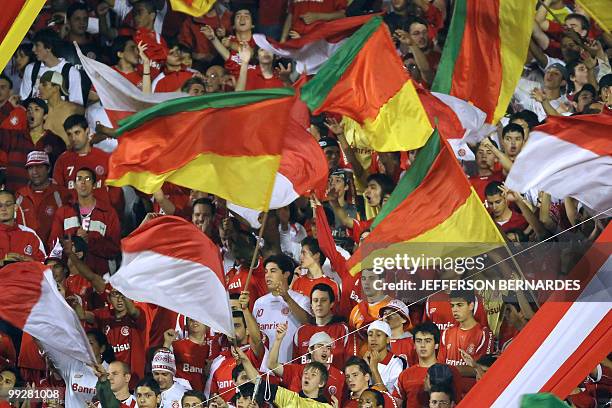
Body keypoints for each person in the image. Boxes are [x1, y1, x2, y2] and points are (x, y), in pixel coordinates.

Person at [48, 167, 121, 275]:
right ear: (74, 184)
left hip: (99, 276)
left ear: (95, 184)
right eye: (79, 179)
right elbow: (53, 245)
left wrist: (89, 241)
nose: (83, 182)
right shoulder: (63, 212)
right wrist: (73, 243)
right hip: (70, 277)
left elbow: (115, 248)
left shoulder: (108, 213)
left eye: (87, 179)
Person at [74, 287, 146, 383]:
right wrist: (75, 305)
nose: (119, 299)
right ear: (108, 298)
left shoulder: (137, 315)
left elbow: (133, 312)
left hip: (133, 379)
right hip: (109, 378)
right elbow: (82, 315)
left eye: (122, 295)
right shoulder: (103, 315)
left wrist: (123, 290)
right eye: (115, 295)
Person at [252, 254, 312, 363]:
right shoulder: (259, 303)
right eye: (266, 271)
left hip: (291, 368)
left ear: (286, 274)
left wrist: (287, 298)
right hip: (264, 370)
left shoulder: (302, 300)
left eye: (273, 271)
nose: (267, 275)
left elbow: (308, 323)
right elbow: (254, 337)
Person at [0, 98, 66, 191]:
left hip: (41, 199)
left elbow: (60, 172)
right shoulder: (14, 136)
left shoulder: (55, 141)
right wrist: (9, 107)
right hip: (13, 197)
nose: (31, 113)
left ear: (45, 116)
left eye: (36, 109)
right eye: (29, 110)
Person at [270, 324, 345, 401]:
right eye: (320, 346)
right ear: (310, 350)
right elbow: (272, 365)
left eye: (328, 347)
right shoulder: (295, 370)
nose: (325, 350)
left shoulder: (339, 376)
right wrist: (278, 340)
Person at [393, 322, 460, 407]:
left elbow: (458, 403)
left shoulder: (450, 371)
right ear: (414, 345)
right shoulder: (405, 375)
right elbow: (395, 404)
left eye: (428, 341)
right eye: (419, 341)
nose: (423, 345)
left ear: (436, 345)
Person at [204, 311, 264, 403]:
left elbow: (257, 341)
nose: (231, 330)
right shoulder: (218, 362)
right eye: (229, 327)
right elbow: (212, 398)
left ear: (248, 330)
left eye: (236, 326)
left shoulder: (255, 354)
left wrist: (245, 309)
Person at [15, 151, 71, 247]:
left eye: (39, 167)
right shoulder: (19, 195)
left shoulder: (62, 194)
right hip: (26, 252)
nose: (35, 172)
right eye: (31, 168)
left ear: (48, 169)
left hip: (55, 254)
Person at [437, 291, 494, 378]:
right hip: (450, 389)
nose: (455, 309)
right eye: (452, 306)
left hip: (472, 389)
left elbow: (483, 370)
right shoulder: (447, 333)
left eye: (459, 305)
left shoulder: (484, 334)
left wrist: (451, 369)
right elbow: (440, 366)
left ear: (471, 305)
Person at [20, 29, 84, 105]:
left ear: (49, 47)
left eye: (37, 45)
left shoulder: (70, 72)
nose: (33, 49)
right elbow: (23, 100)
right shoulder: (31, 69)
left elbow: (76, 107)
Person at [294, 283, 349, 370]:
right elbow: (295, 367)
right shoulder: (301, 332)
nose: (319, 304)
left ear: (331, 304)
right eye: (315, 300)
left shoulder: (343, 330)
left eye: (323, 300)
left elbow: (350, 365)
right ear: (311, 305)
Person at [164, 318, 212, 391]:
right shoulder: (176, 345)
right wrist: (167, 343)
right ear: (186, 326)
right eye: (191, 319)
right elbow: (163, 365)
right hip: (179, 394)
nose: (195, 321)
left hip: (201, 396)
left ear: (207, 326)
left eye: (198, 318)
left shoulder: (212, 349)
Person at [0, 190, 46, 264]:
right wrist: (2, 262)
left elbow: (44, 266)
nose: (3, 209)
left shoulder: (29, 234)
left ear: (15, 207)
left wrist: (31, 262)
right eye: (0, 206)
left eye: (8, 205)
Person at [293, 237, 340, 301]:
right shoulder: (297, 281)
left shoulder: (332, 285)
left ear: (317, 255)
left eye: (304, 253)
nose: (300, 257)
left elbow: (335, 310)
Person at [364, 320, 406, 393]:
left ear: (388, 339)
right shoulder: (364, 361)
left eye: (378, 335)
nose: (373, 339)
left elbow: (390, 397)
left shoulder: (397, 363)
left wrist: (374, 369)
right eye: (370, 335)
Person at [281, 0, 346, 41]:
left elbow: (342, 15)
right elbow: (291, 15)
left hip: (319, 41)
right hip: (295, 39)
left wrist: (318, 16)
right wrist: (283, 40)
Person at [380, 299, 417, 365]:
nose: (386, 316)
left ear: (404, 319)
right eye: (385, 313)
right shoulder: (378, 342)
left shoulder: (413, 342)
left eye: (393, 313)